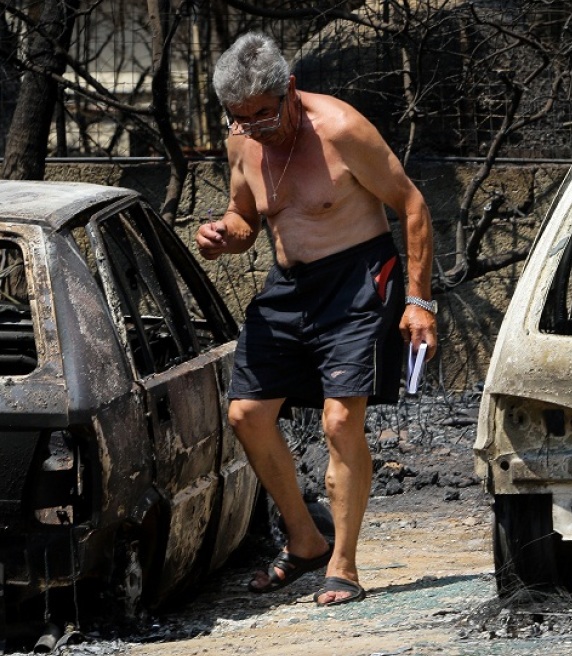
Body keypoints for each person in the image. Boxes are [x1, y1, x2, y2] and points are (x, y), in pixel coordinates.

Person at [198, 32, 437, 607]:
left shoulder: (340, 129)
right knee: (247, 414)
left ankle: (344, 564)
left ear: (290, 91)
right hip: (289, 285)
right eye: (240, 118)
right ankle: (305, 541)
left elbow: (411, 203)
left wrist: (419, 300)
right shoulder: (242, 142)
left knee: (337, 421)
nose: (254, 127)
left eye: (262, 114)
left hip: (356, 281)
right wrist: (221, 236)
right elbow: (245, 217)